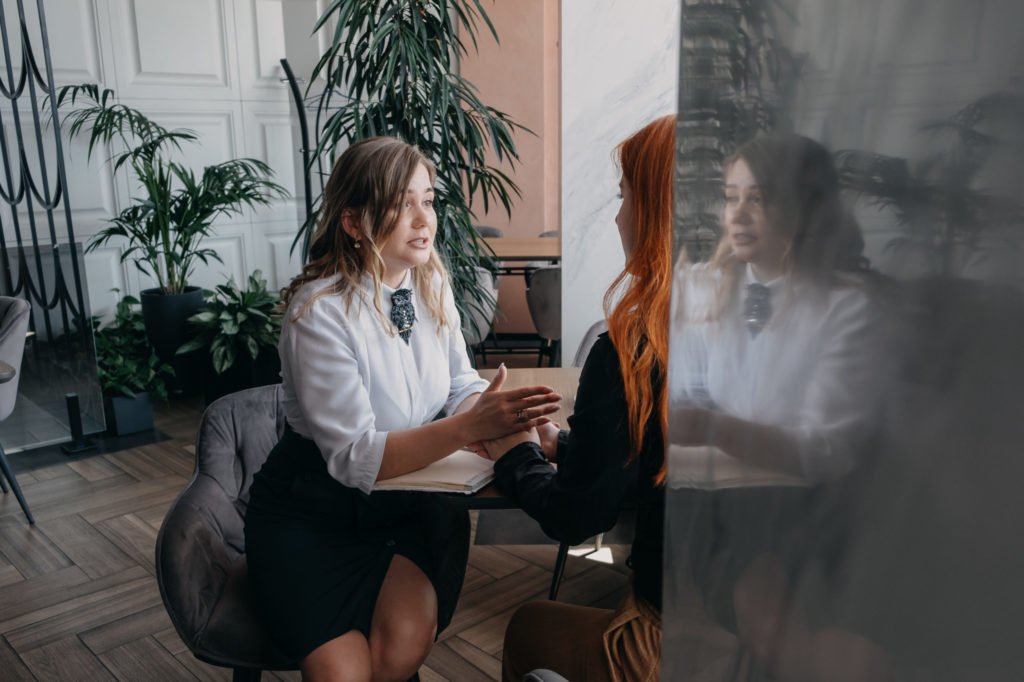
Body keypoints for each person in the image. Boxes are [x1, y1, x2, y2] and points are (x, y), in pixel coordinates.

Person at [243, 136, 561, 682]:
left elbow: (459, 382)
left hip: (406, 507)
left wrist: (512, 422)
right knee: (344, 676)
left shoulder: (430, 280)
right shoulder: (318, 313)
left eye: (429, 200)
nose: (423, 219)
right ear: (353, 221)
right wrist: (469, 426)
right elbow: (353, 457)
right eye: (401, 202)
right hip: (312, 514)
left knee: (401, 651)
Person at [666, 132, 888, 680]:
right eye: (730, 195)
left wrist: (714, 427)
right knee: (771, 617)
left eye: (758, 198)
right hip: (727, 513)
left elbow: (825, 453)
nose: (737, 214)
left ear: (802, 207)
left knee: (833, 646)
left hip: (820, 509)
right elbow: (686, 400)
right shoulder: (702, 288)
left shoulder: (846, 307)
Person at [478, 114, 676, 682]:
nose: (616, 217)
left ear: (658, 212)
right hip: (785, 637)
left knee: (527, 627)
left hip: (670, 642)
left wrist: (518, 451)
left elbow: (577, 515)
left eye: (625, 196)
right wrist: (566, 446)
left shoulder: (635, 348)